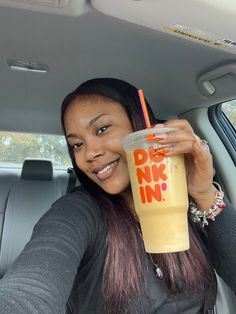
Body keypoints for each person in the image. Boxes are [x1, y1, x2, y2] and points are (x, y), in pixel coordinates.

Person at [0, 78, 235, 314]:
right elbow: (31, 287)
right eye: (77, 144)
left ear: (140, 127)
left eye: (102, 129)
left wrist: (204, 194)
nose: (89, 154)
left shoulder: (183, 200)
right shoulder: (78, 211)